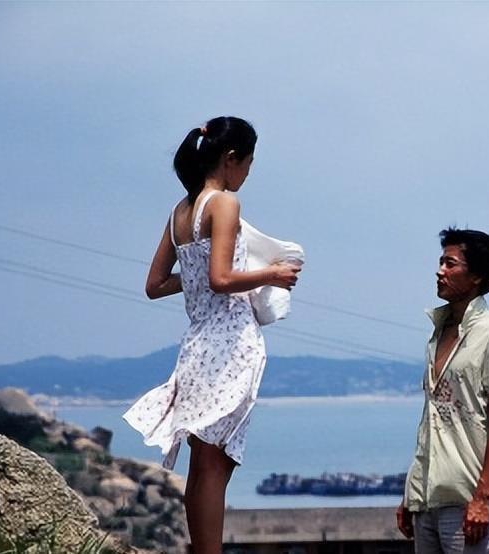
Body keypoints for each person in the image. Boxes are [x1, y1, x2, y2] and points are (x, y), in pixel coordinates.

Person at [123, 116, 300, 554]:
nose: (248, 174)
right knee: (216, 465)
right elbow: (222, 279)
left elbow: (155, 285)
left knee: (202, 463)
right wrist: (272, 274)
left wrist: (196, 274)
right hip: (230, 343)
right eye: (248, 164)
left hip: (197, 345)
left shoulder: (179, 212)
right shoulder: (223, 204)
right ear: (231, 158)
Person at [397, 228, 489, 554]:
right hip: (427, 498)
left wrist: (482, 498)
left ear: (477, 276)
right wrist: (411, 493)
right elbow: (433, 421)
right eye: (441, 262)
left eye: (450, 264)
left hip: (470, 502)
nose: (440, 271)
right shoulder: (438, 332)